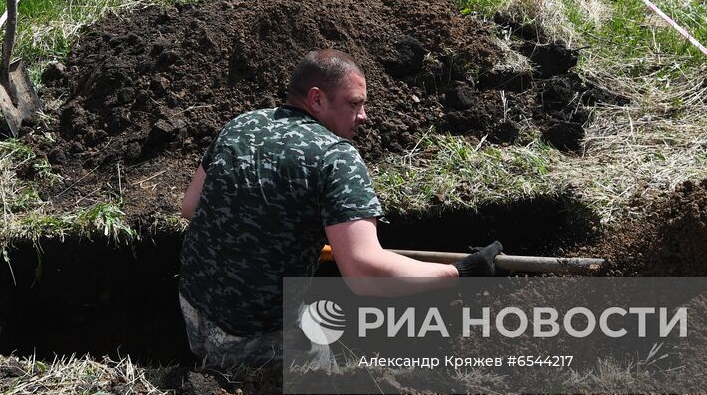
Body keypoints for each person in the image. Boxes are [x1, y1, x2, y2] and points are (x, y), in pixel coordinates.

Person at [178, 50, 501, 366]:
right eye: (354, 104)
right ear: (317, 99)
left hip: (195, 313)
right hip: (256, 338)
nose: (363, 116)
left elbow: (191, 207)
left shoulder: (242, 125)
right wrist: (459, 273)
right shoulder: (334, 157)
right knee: (338, 372)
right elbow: (364, 273)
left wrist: (282, 240)